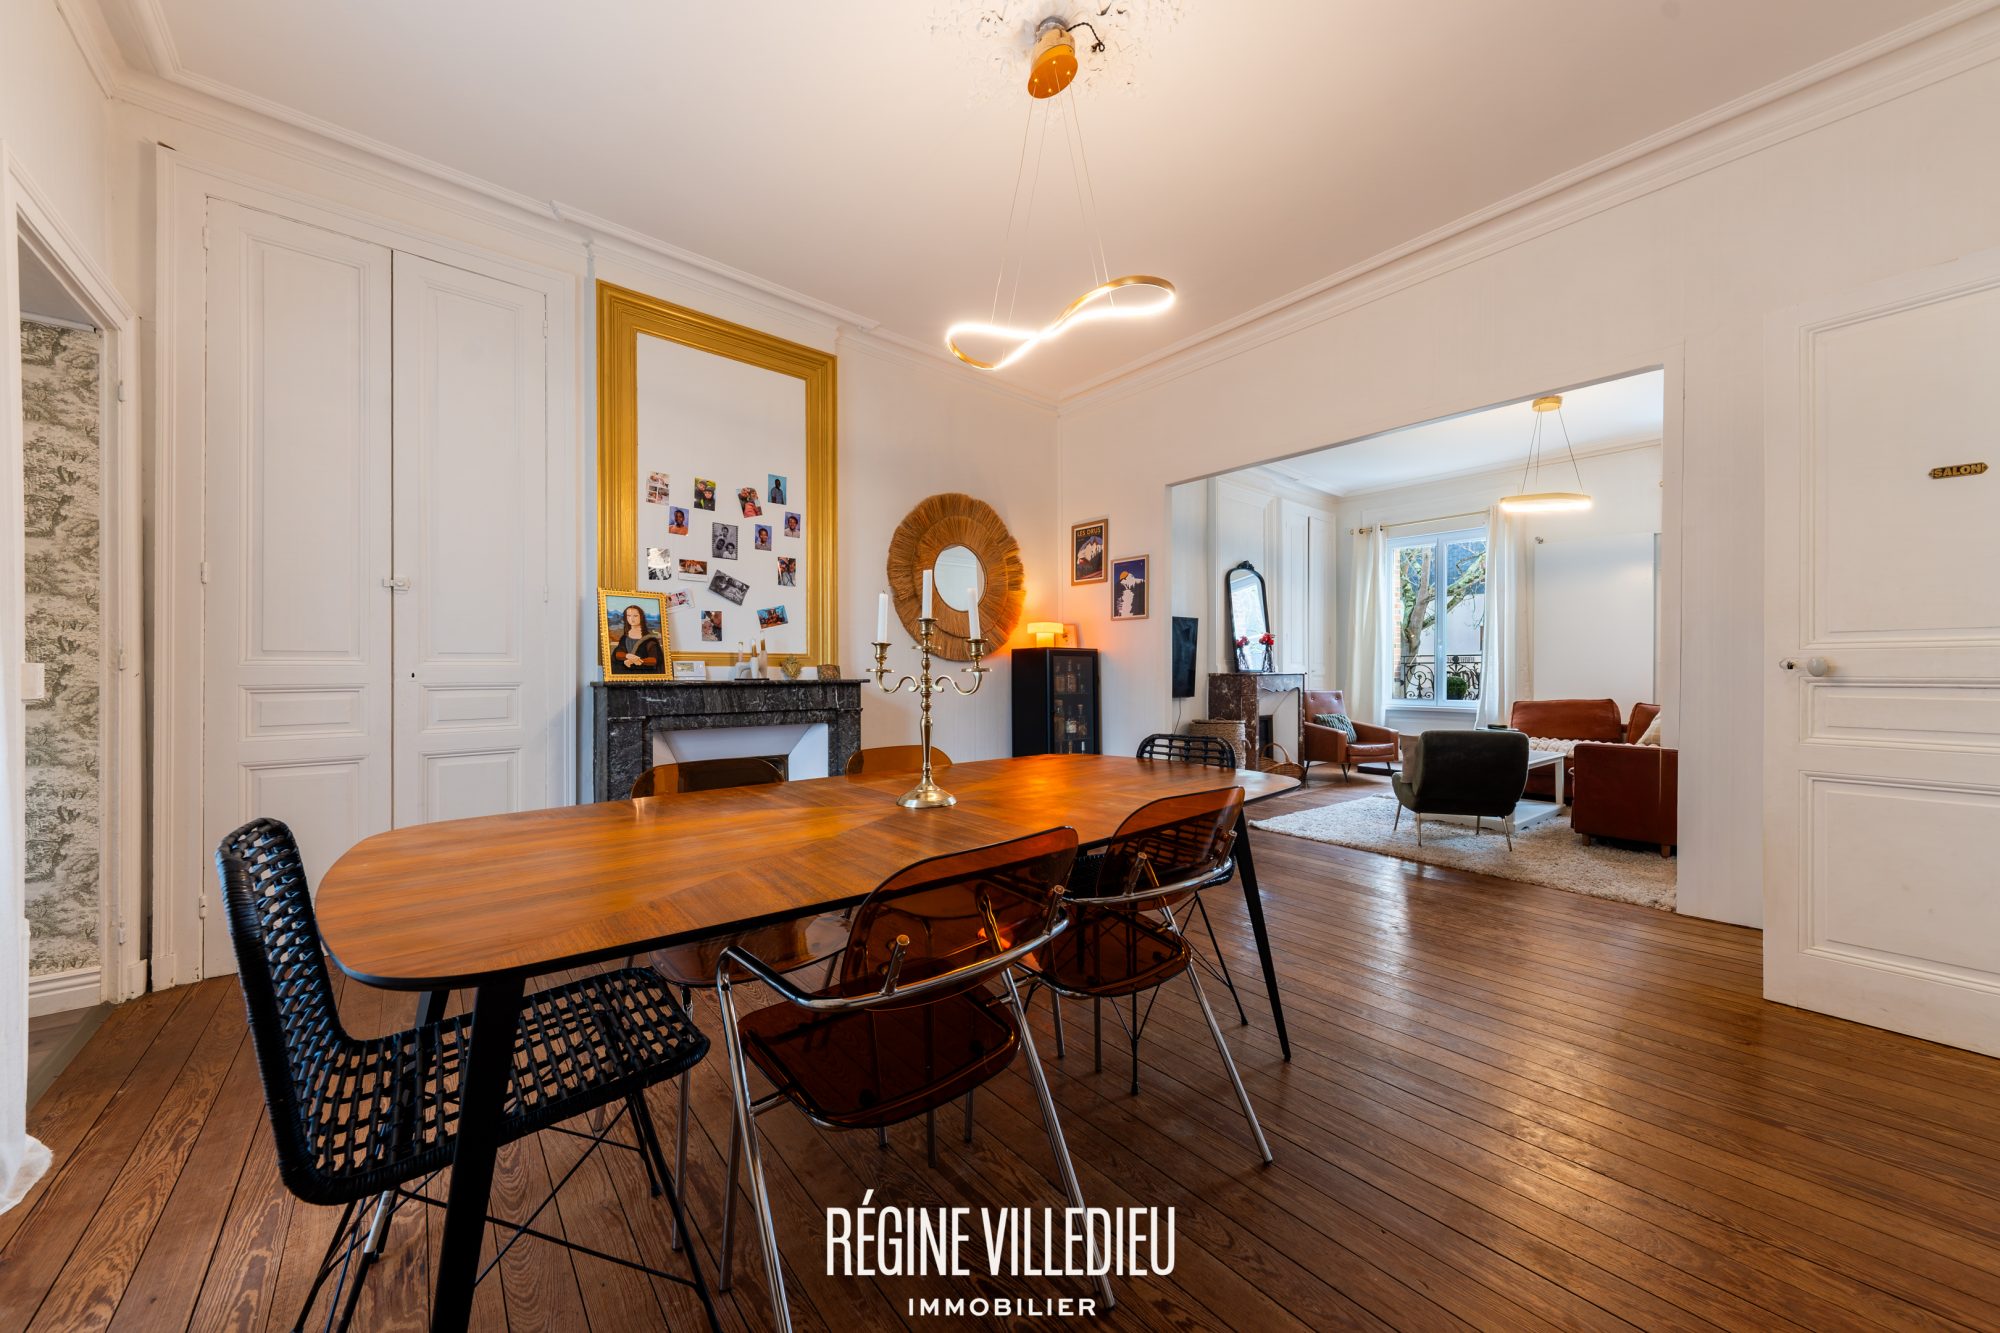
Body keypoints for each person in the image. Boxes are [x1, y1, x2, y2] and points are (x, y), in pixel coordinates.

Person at [609, 603, 662, 674]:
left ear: (641, 617)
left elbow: (654, 660)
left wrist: (635, 661)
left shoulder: (650, 639)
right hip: (625, 673)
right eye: (629, 616)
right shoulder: (624, 637)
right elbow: (618, 653)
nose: (632, 619)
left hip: (644, 673)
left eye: (635, 616)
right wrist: (628, 656)